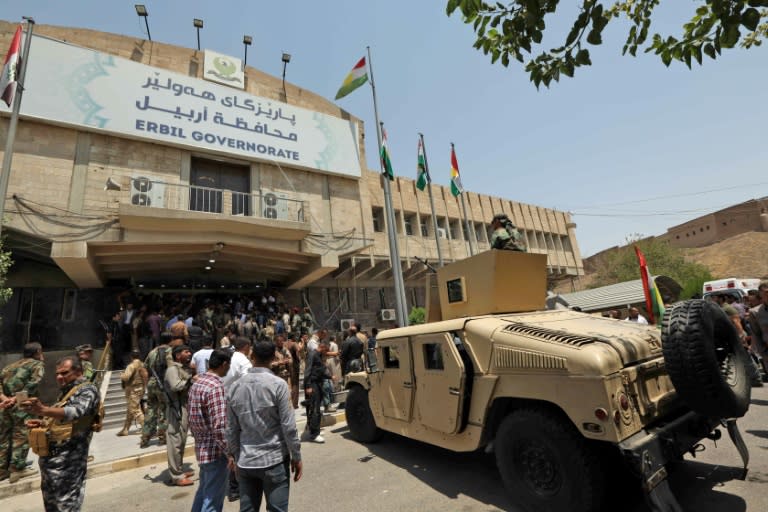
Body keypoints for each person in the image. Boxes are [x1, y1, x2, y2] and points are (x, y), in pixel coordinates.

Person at [227, 341, 303, 512]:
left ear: (252, 357)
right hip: (274, 460)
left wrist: (234, 456)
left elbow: (231, 428)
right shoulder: (278, 385)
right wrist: (296, 456)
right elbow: (288, 426)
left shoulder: (234, 387)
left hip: (246, 461)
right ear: (274, 357)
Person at [21, 355, 100, 512]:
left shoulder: (87, 389)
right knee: (52, 506)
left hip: (69, 462)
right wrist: (43, 422)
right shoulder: (67, 392)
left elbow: (76, 412)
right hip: (52, 463)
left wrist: (44, 409)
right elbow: (62, 420)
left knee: (66, 507)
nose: (59, 377)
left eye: (64, 373)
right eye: (57, 373)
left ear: (79, 371)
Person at [189, 349, 231, 512]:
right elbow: (220, 426)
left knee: (204, 494)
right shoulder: (215, 387)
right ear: (224, 364)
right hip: (215, 453)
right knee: (212, 501)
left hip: (202, 448)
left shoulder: (198, 383)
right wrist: (230, 453)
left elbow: (192, 418)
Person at [0, 342, 45, 483]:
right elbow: (33, 384)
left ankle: (1, 470)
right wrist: (14, 399)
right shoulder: (37, 365)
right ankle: (17, 470)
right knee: (21, 436)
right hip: (23, 406)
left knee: (4, 438)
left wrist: (5, 399)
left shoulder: (9, 367)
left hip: (5, 406)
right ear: (38, 352)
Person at [165, 344, 196, 486]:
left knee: (182, 439)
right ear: (178, 355)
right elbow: (175, 386)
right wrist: (190, 380)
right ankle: (176, 476)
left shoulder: (181, 368)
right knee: (175, 440)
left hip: (184, 407)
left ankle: (179, 469)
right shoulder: (172, 369)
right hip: (175, 408)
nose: (189, 353)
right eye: (186, 351)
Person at [140, 335, 171, 448]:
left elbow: (143, 368)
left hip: (152, 383)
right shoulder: (169, 351)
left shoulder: (152, 352)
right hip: (163, 384)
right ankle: (162, 437)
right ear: (170, 340)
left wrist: (146, 383)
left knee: (151, 410)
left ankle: (145, 437)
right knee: (164, 409)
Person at [303, 341, 331, 443]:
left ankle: (315, 430)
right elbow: (308, 371)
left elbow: (320, 371)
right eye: (326, 351)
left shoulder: (318, 355)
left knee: (316, 409)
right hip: (313, 384)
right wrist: (308, 386)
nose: (326, 353)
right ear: (322, 347)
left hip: (318, 384)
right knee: (315, 410)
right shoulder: (312, 354)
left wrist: (330, 377)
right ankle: (314, 435)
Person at [117, 350, 145, 436]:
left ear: (131, 357)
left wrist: (121, 375)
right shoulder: (142, 364)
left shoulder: (131, 366)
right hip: (140, 388)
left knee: (135, 410)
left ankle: (146, 428)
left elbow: (126, 377)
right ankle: (125, 429)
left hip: (132, 389)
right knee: (130, 410)